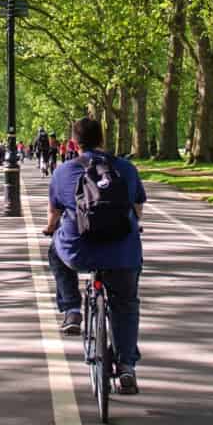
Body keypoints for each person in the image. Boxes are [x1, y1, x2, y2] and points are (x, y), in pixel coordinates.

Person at [43, 117, 146, 394]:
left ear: (74, 143)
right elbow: (137, 208)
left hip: (79, 250)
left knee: (54, 250)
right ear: (103, 139)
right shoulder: (125, 168)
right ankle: (126, 366)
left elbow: (54, 216)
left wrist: (50, 228)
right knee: (125, 303)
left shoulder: (64, 172)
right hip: (121, 252)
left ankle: (72, 309)